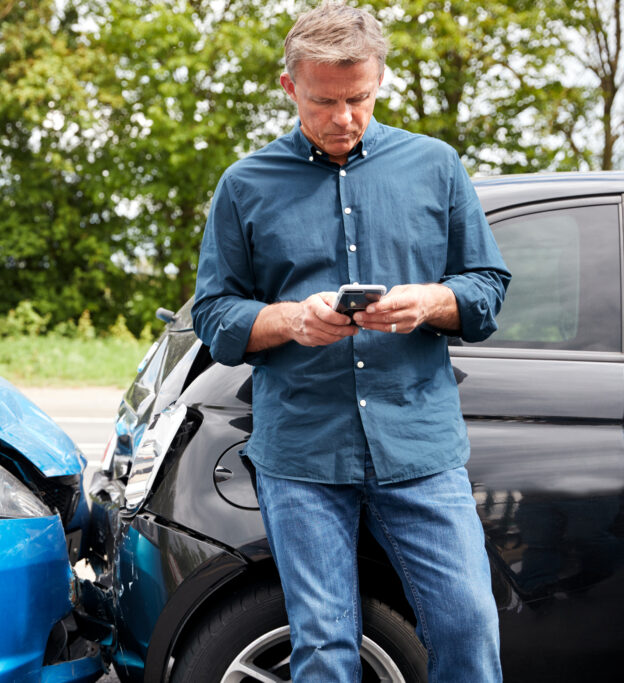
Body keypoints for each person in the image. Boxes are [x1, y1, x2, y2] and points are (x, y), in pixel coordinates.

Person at [191, 2, 511, 681]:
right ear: (290, 88)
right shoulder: (243, 185)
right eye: (324, 101)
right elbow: (215, 317)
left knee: (469, 625)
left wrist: (432, 302)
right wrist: (291, 320)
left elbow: (486, 290)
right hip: (302, 453)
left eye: (358, 98)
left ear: (380, 81)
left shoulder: (437, 166)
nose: (343, 118)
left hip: (419, 446)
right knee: (324, 646)